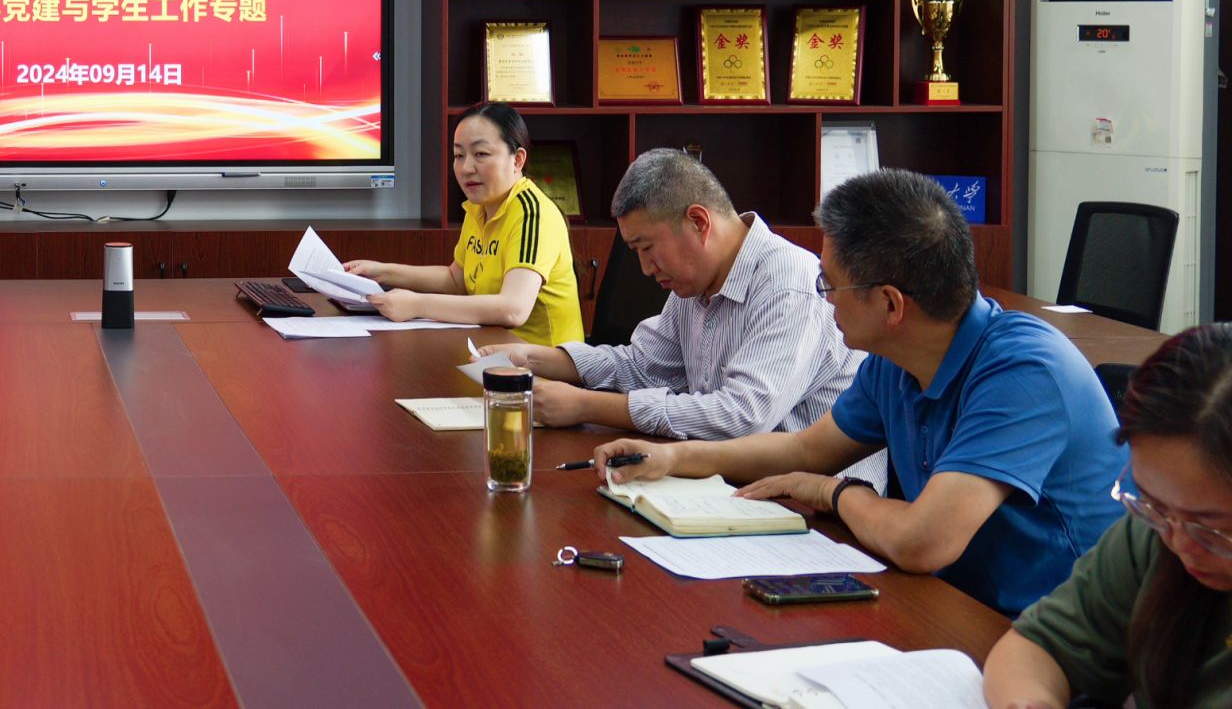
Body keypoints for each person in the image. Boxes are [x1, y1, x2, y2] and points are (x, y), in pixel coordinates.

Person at [591, 168, 1125, 615]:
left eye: (829, 283)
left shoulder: (1024, 374)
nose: (823, 298)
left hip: (1061, 640)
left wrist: (837, 493)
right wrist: (672, 458)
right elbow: (805, 450)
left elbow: (921, 542)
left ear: (891, 304)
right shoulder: (897, 360)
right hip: (959, 604)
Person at [479, 149, 869, 463]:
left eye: (646, 248)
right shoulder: (697, 284)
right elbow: (643, 367)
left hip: (813, 508)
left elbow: (742, 417)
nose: (645, 268)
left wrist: (586, 406)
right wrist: (534, 358)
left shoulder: (789, 284)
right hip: (723, 481)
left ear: (698, 222)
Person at [984, 325, 1232, 709]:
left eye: (1211, 526)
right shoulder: (1155, 532)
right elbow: (1038, 647)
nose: (1179, 542)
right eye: (1153, 503)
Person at [344, 101, 583, 346]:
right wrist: (382, 272)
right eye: (459, 155)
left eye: (481, 154)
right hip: (493, 348)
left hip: (542, 362)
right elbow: (456, 281)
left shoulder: (532, 214)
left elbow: (513, 309)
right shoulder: (479, 207)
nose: (466, 168)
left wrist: (417, 305)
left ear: (517, 160)